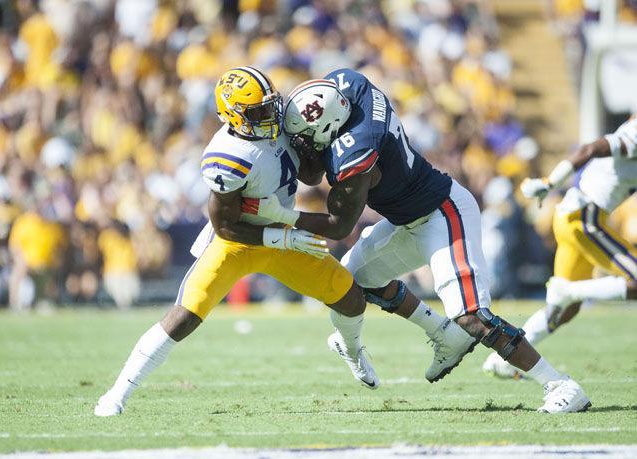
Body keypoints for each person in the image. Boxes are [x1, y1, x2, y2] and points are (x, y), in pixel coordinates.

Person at [243, 69, 590, 413]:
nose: (300, 144)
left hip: (444, 213)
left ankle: (559, 384)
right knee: (352, 282)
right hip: (407, 219)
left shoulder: (355, 153)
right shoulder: (349, 89)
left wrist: (282, 215)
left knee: (471, 317)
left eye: (304, 138)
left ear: (329, 130)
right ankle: (442, 334)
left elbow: (337, 224)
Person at [94, 67, 377, 417]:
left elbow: (309, 174)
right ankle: (118, 392)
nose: (270, 116)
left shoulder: (277, 120)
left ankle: (353, 350)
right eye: (258, 112)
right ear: (234, 116)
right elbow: (225, 226)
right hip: (238, 243)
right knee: (185, 316)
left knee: (350, 299)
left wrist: (311, 139)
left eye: (270, 106)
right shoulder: (226, 157)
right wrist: (282, 235)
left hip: (281, 239)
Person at [483, 115, 637, 379]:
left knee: (565, 310)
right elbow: (591, 148)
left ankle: (503, 358)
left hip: (575, 217)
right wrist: (550, 182)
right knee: (626, 283)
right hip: (583, 218)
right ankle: (568, 290)